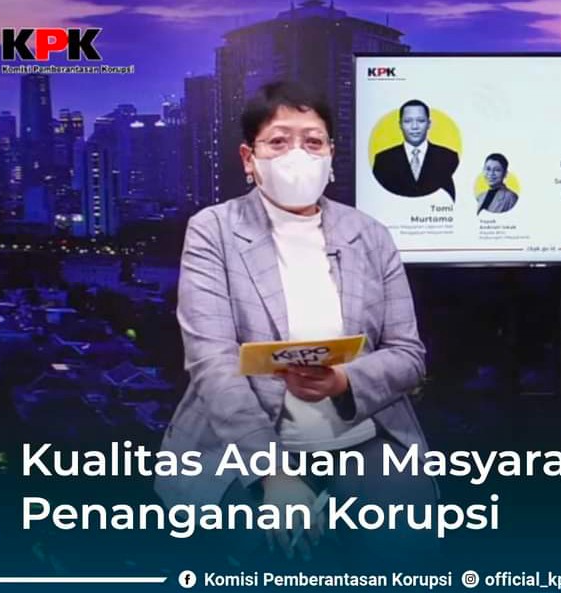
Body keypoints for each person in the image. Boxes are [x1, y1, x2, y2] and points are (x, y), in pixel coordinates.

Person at [156, 81, 435, 566]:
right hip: (237, 443)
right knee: (276, 551)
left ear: (331, 154)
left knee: (403, 548)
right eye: (279, 142)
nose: (298, 155)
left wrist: (343, 380)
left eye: (313, 142)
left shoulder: (370, 235)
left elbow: (409, 356)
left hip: (364, 434)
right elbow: (212, 364)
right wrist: (275, 474)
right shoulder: (213, 230)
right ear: (249, 158)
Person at [372, 99, 459, 199]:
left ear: (429, 124)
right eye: (408, 121)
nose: (414, 126)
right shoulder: (383, 160)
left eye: (421, 121)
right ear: (400, 125)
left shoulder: (449, 157)